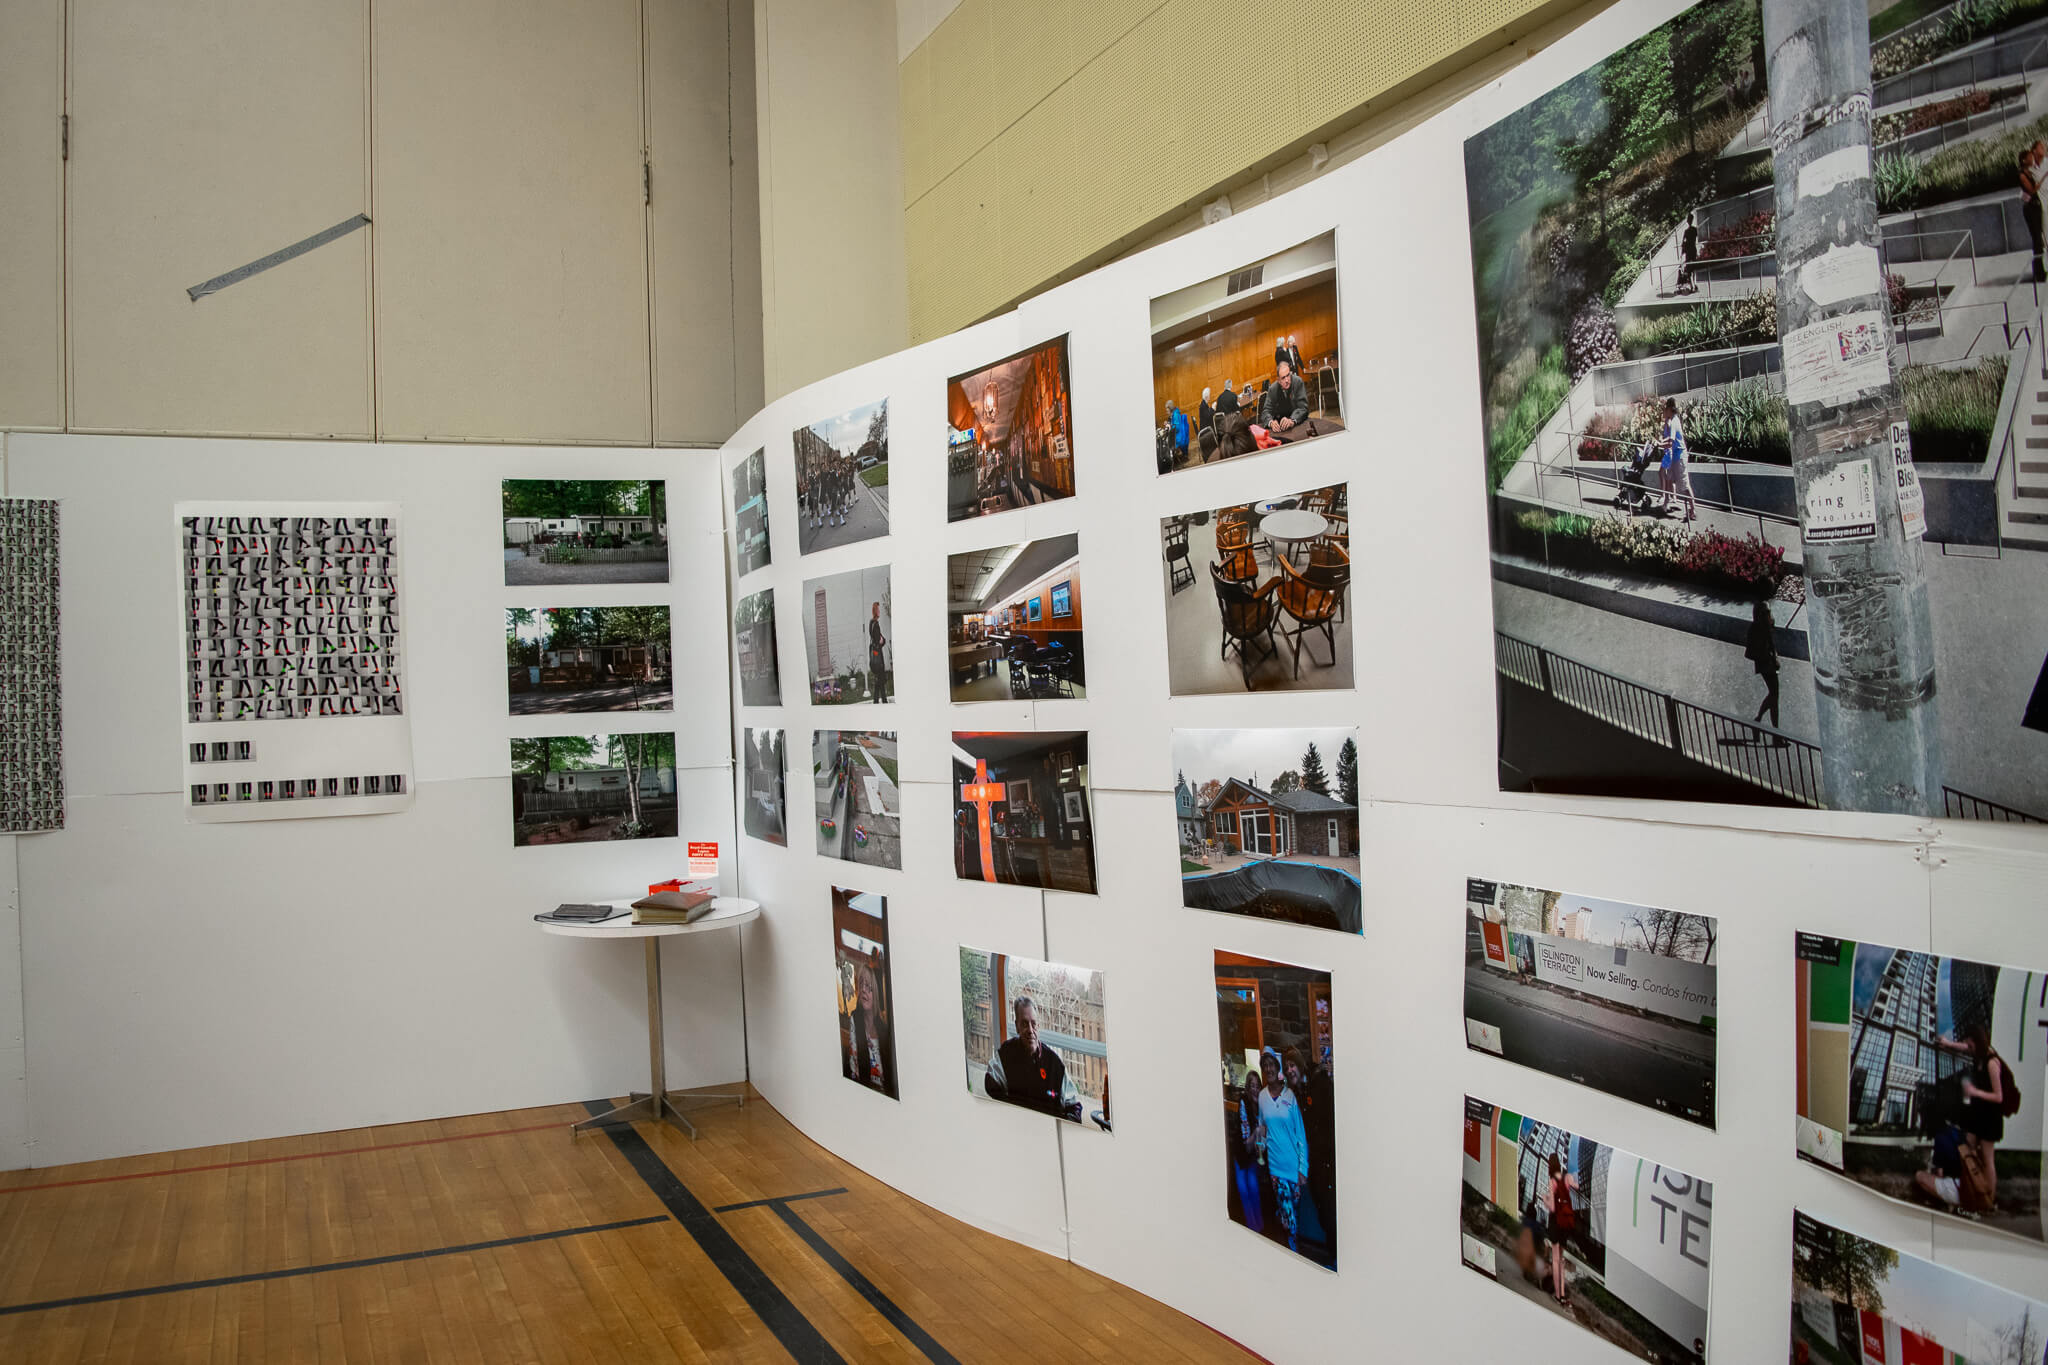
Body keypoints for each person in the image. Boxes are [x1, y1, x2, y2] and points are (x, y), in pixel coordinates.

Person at [1935, 1023, 2008, 1211]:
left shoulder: (1992, 1062)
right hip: (1979, 1115)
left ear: (1978, 1042)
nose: (1968, 1047)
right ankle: (1972, 1188)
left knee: (1988, 1159)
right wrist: (1948, 1044)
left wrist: (1975, 1092)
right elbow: (1964, 1047)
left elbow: (1998, 1097)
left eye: (1970, 1044)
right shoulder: (1978, 1054)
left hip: (1991, 1117)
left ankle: (1989, 1200)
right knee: (1967, 1148)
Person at [984, 996, 1082, 1119]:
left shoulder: (1055, 1064)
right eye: (1025, 1024)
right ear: (1017, 1026)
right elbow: (991, 1081)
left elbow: (1074, 1106)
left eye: (1033, 1024)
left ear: (1038, 1026)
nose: (1030, 1030)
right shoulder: (1006, 1053)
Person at [1254, 1048, 1309, 1253]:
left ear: (1278, 1068)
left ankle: (1292, 1249)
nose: (1268, 1069)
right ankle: (1293, 1255)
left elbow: (1300, 1134)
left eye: (1271, 1065)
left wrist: (1303, 1168)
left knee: (1293, 1216)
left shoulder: (1290, 1095)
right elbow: (1262, 1127)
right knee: (1289, 1222)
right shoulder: (1261, 1097)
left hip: (1293, 1168)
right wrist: (1260, 1144)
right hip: (1276, 1169)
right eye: (1265, 1066)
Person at [1287, 1050, 1336, 1258]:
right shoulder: (1298, 1093)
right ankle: (1334, 1254)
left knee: (1330, 1210)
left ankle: (1337, 1256)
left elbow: (1330, 1120)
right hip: (1313, 1163)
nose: (1289, 1070)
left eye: (1292, 1065)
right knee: (1322, 1210)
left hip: (1327, 1161)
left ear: (1300, 1065)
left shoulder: (1318, 1082)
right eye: (1286, 1067)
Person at [843, 959, 894, 1095]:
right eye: (861, 984)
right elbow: (854, 1071)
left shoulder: (884, 1030)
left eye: (868, 985)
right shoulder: (855, 1020)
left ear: (875, 993)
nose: (863, 990)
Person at [1229, 1072, 1265, 1232]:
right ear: (1248, 1088)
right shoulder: (1244, 1102)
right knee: (1244, 1190)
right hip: (1241, 1153)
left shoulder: (1261, 1106)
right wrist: (1257, 1132)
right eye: (1252, 1086)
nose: (1255, 1090)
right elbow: (1246, 1142)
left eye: (1257, 1086)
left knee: (1253, 1187)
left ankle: (1260, 1227)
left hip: (1252, 1155)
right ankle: (1253, 1227)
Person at [1544, 1151, 1579, 1307]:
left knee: (1556, 1260)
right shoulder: (1567, 1177)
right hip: (1566, 1223)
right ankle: (1564, 1295)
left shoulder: (1552, 1181)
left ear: (1550, 1165)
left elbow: (1552, 1207)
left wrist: (1545, 1199)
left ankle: (1558, 1296)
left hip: (1555, 1222)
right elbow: (1576, 1186)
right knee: (1562, 1261)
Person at [1746, 598, 1781, 737]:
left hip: (1769, 663)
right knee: (1774, 695)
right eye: (1766, 612)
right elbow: (1754, 651)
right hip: (1765, 664)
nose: (1768, 614)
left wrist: (1775, 657)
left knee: (1774, 695)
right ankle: (1774, 733)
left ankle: (1759, 721)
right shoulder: (1756, 629)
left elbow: (1771, 644)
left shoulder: (1766, 626)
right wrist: (1770, 657)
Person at [1657, 397, 1696, 521]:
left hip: (1680, 457)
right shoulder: (1673, 420)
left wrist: (1659, 444)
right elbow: (1668, 440)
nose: (1664, 411)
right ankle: (1666, 504)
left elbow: (1670, 442)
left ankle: (1693, 510)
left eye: (1666, 409)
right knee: (1669, 479)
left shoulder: (1674, 422)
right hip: (1675, 456)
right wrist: (1659, 443)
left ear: (1669, 409)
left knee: (1684, 485)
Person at [1259, 360, 1310, 435]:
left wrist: (1292, 420)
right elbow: (1265, 411)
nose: (1287, 380)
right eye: (1283, 378)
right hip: (1280, 429)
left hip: (1298, 424)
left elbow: (1303, 408)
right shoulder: (1273, 389)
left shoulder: (1298, 382)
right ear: (1278, 380)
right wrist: (1271, 423)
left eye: (1288, 375)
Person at [2022, 141, 2045, 284]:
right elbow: (2028, 192)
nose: (2032, 158)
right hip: (2033, 211)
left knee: (2039, 241)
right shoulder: (2024, 173)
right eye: (2029, 157)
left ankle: (2039, 271)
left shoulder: (2030, 171)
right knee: (2037, 241)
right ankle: (2039, 273)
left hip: (2039, 207)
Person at [867, 601, 887, 700]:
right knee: (880, 679)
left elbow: (877, 638)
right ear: (876, 611)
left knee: (879, 681)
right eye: (878, 609)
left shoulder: (871, 623)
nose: (879, 611)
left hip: (874, 656)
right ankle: (883, 700)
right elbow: (879, 640)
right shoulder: (876, 624)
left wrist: (882, 640)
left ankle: (879, 700)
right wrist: (882, 641)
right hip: (878, 657)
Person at [1678, 212, 1699, 295]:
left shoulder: (1686, 231)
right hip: (1693, 250)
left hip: (1689, 251)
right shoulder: (1694, 230)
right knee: (1693, 268)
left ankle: (1693, 286)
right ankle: (1694, 285)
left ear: (1688, 221)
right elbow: (1695, 239)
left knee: (1689, 269)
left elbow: (1683, 243)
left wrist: (1682, 253)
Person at [1166, 400, 1190, 466]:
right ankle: (1174, 458)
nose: (1166, 411)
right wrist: (1169, 424)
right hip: (1179, 434)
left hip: (1179, 436)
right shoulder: (1174, 413)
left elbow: (1177, 428)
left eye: (1167, 409)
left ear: (1170, 408)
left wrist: (1170, 426)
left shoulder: (1175, 414)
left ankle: (1172, 460)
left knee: (1167, 443)